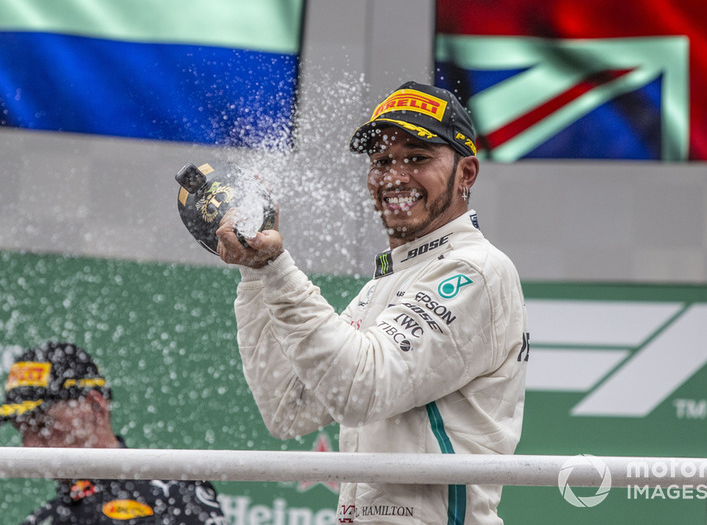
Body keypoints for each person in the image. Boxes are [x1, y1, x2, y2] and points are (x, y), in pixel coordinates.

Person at [216, 81, 529, 524]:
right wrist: (254, 273)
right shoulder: (383, 286)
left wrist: (276, 269)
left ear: (467, 174)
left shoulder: (476, 269)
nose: (395, 176)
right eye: (382, 161)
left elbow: (360, 391)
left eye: (418, 158)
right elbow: (288, 407)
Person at [0, 341, 228, 525]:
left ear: (95, 407)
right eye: (20, 430)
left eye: (43, 425)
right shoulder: (44, 519)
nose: (29, 445)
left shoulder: (172, 493)